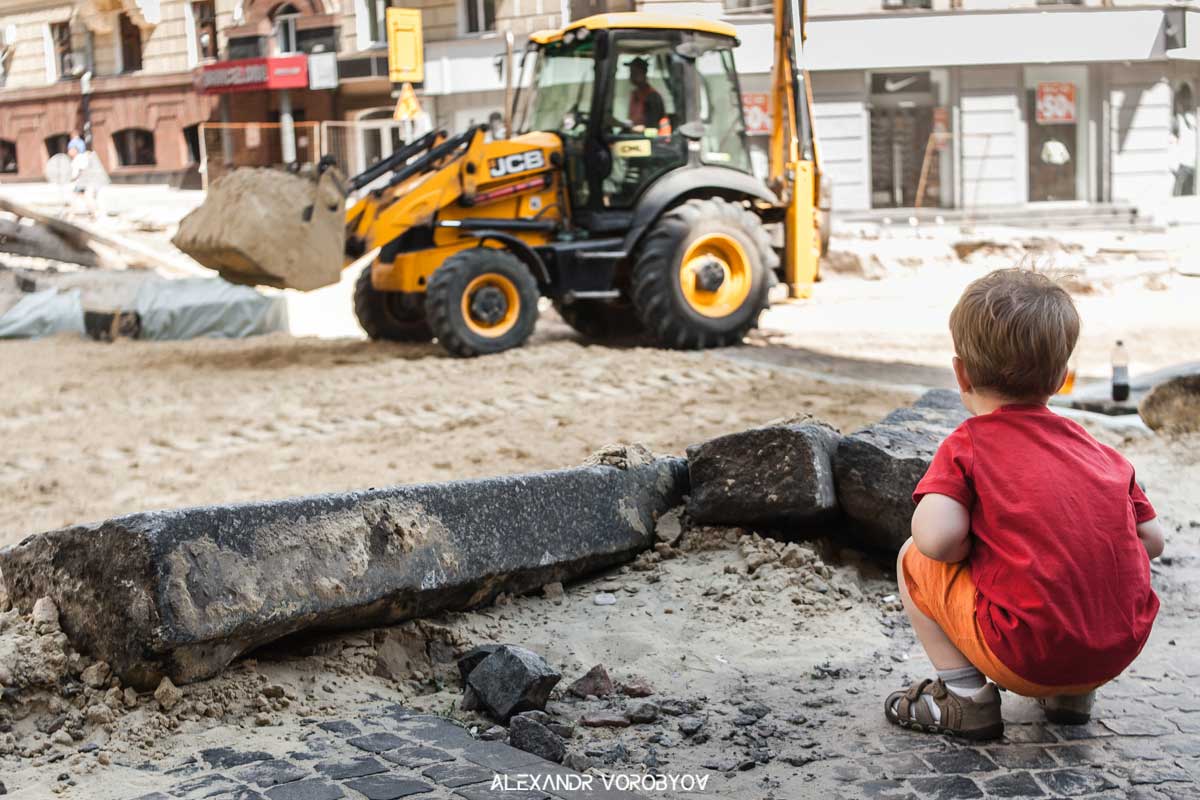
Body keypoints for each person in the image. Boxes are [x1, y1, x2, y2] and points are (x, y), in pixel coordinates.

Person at [884, 268, 1164, 741]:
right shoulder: (1103, 453)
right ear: (1063, 377)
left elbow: (937, 540)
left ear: (961, 373)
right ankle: (1071, 696)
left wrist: (971, 547)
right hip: (1115, 650)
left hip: (1025, 656)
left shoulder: (968, 445)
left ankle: (967, 700)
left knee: (910, 558)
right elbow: (1152, 541)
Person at [626, 57, 664, 132]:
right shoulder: (635, 94)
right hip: (634, 137)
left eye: (635, 72)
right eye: (631, 72)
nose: (632, 76)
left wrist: (637, 129)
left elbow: (653, 126)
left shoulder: (652, 96)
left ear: (644, 73)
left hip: (648, 138)